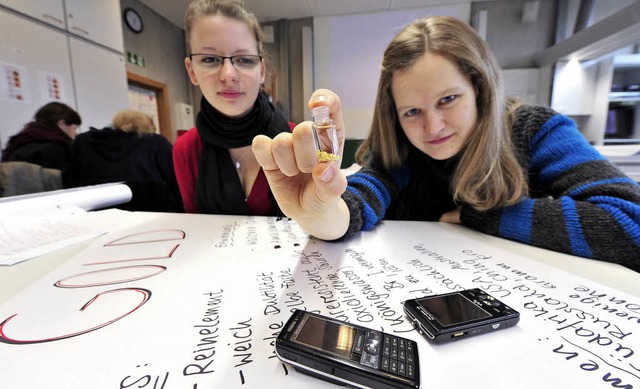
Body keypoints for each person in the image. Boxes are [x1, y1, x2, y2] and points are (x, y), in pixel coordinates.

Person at [252, 16, 640, 272]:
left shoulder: (536, 131)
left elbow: (629, 222)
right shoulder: (396, 151)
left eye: (448, 100)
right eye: (411, 111)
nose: (432, 126)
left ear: (480, 88)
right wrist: (320, 211)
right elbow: (356, 203)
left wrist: (480, 216)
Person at [173, 0, 295, 215]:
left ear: (262, 71)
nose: (228, 75)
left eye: (245, 60)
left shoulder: (295, 140)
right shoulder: (186, 150)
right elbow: (195, 228)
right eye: (210, 59)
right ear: (192, 71)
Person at [63, 109, 182, 212]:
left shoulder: (82, 142)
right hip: (150, 213)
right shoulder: (155, 142)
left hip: (95, 213)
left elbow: (71, 180)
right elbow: (177, 180)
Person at [1, 102, 80, 170]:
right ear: (61, 124)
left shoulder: (20, 142)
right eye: (74, 128)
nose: (76, 133)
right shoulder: (55, 148)